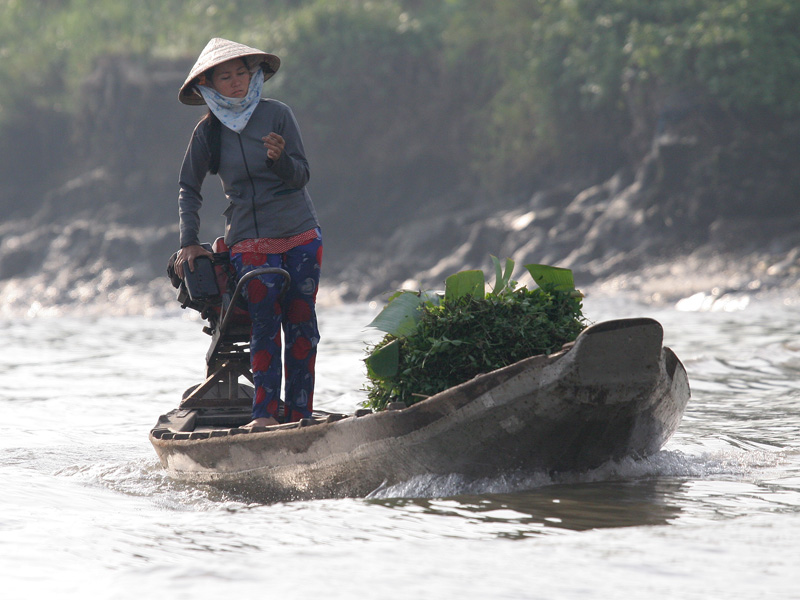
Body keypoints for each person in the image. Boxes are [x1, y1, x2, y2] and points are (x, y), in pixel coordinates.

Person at [173, 38, 322, 428]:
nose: (237, 82)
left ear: (254, 76)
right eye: (226, 76)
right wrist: (189, 241)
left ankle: (301, 415)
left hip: (301, 233)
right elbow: (189, 187)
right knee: (265, 326)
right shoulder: (209, 133)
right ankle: (264, 417)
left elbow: (301, 175)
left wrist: (280, 160)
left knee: (303, 325)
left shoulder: (278, 115)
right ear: (209, 84)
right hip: (250, 241)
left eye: (243, 73)